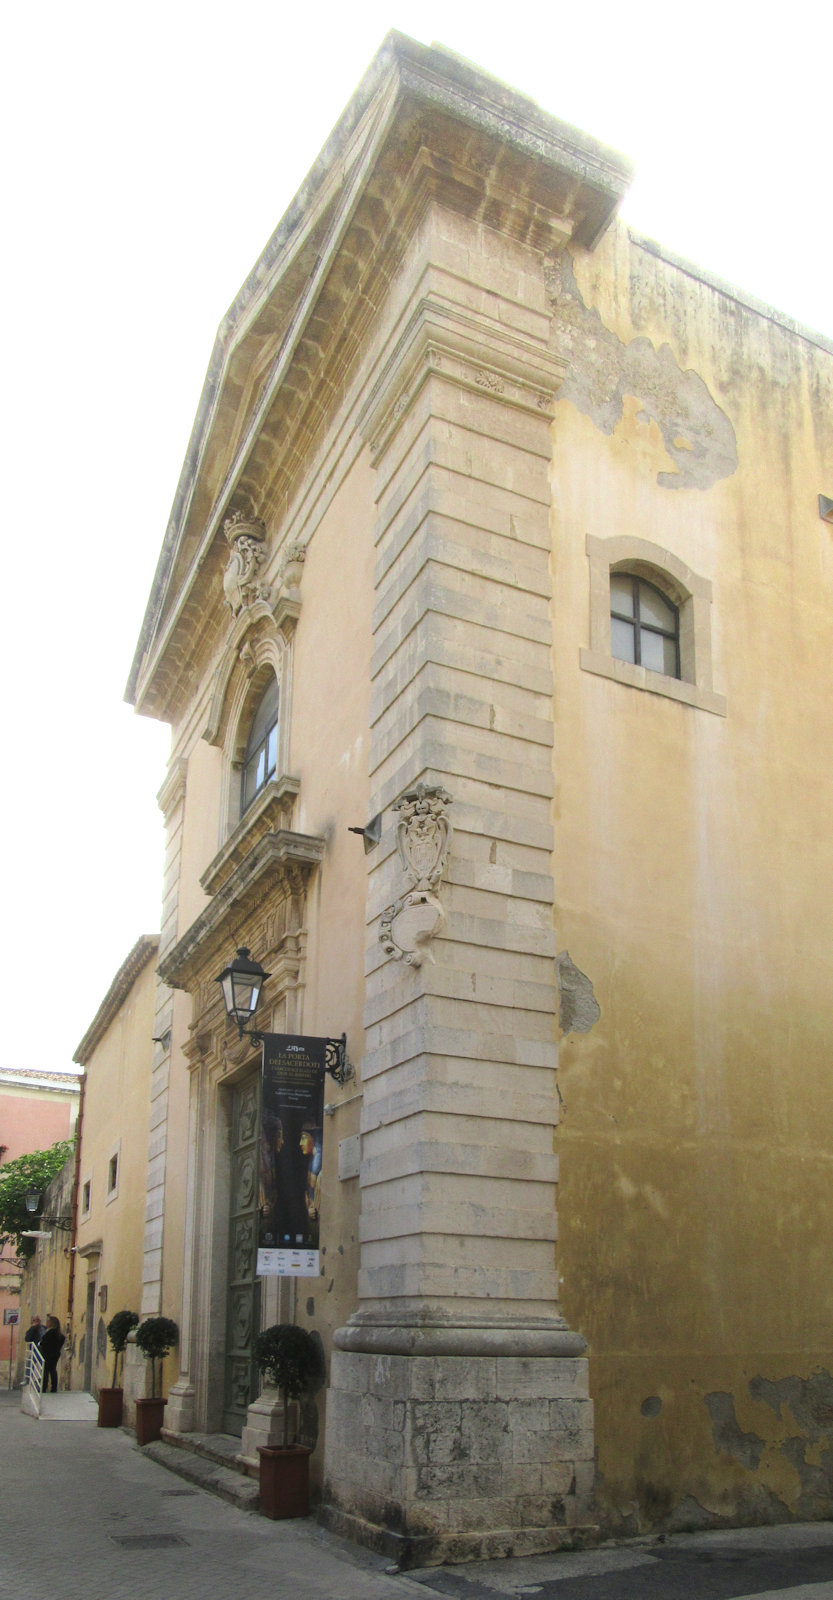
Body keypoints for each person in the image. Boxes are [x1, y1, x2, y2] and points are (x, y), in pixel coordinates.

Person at [39, 1315, 65, 1393]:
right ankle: (54, 1387)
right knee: (53, 1370)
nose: (46, 1323)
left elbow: (45, 1343)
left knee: (46, 1371)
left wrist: (41, 1344)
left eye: (48, 1321)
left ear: (51, 1323)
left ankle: (44, 1388)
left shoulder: (50, 1333)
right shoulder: (58, 1334)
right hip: (55, 1354)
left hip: (48, 1354)